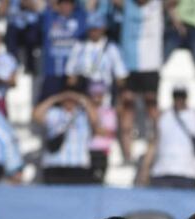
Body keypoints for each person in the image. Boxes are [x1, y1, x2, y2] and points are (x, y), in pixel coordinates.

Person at [117, 0, 164, 163]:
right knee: (127, 108)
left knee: (152, 109)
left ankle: (157, 151)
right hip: (128, 66)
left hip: (151, 65)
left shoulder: (157, 5)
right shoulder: (127, 5)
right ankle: (128, 156)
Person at [138, 85, 195, 190]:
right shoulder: (163, 116)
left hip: (187, 173)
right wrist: (144, 168)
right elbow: (153, 143)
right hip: (162, 172)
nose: (179, 100)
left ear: (186, 97)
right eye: (177, 96)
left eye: (182, 97)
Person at [33, 89, 96, 184]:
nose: (69, 101)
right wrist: (56, 98)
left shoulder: (83, 115)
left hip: (78, 165)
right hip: (55, 164)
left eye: (72, 99)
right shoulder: (54, 114)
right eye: (67, 99)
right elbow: (36, 115)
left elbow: (95, 120)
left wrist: (80, 98)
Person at [64, 12, 127, 94]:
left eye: (96, 29)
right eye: (91, 29)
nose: (93, 32)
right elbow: (70, 76)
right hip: (84, 91)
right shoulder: (79, 46)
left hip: (105, 92)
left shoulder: (111, 48)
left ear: (103, 28)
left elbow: (120, 76)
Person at [38, 0, 87, 102]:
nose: (66, 6)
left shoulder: (80, 18)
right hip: (52, 72)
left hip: (73, 74)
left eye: (69, 3)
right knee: (46, 105)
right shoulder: (49, 17)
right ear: (58, 5)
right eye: (63, 3)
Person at [164, 0, 195, 71]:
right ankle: (159, 65)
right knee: (171, 41)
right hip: (179, 24)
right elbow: (171, 7)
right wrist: (179, 26)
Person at [0, 0, 42, 75]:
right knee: (11, 36)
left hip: (30, 26)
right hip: (14, 27)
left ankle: (30, 67)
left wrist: (28, 4)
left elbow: (39, 9)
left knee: (31, 37)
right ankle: (12, 65)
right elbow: (1, 12)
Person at [84, 81, 117, 183]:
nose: (97, 97)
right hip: (84, 152)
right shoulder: (82, 111)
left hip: (100, 151)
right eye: (94, 94)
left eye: (99, 94)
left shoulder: (109, 112)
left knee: (98, 181)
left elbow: (107, 132)